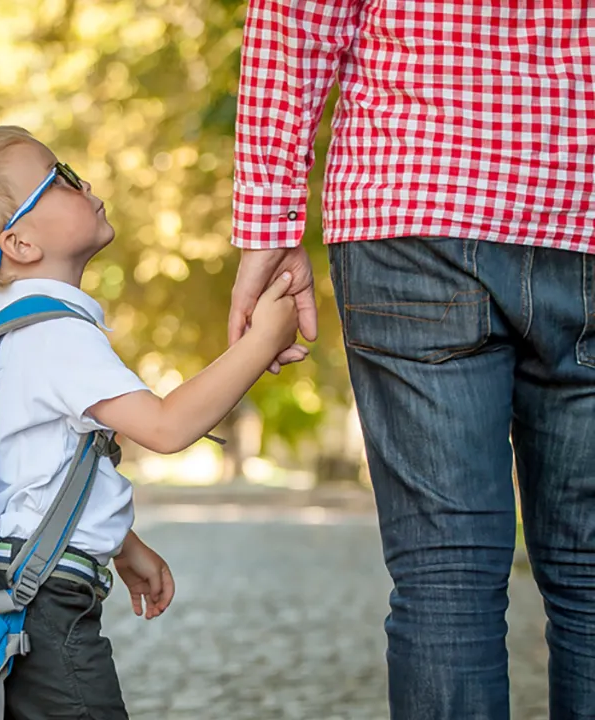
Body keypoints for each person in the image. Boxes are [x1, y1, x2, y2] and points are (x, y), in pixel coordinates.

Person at [227, 2, 595, 718]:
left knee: (444, 573)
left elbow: (296, 17)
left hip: (415, 194)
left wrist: (269, 226)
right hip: (581, 197)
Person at [0, 124, 300, 719]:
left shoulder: (12, 338)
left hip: (21, 584)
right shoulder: (54, 335)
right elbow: (165, 427)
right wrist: (262, 342)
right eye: (62, 180)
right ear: (22, 244)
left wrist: (124, 548)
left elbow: (35, 479)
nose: (84, 185)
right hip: (45, 604)